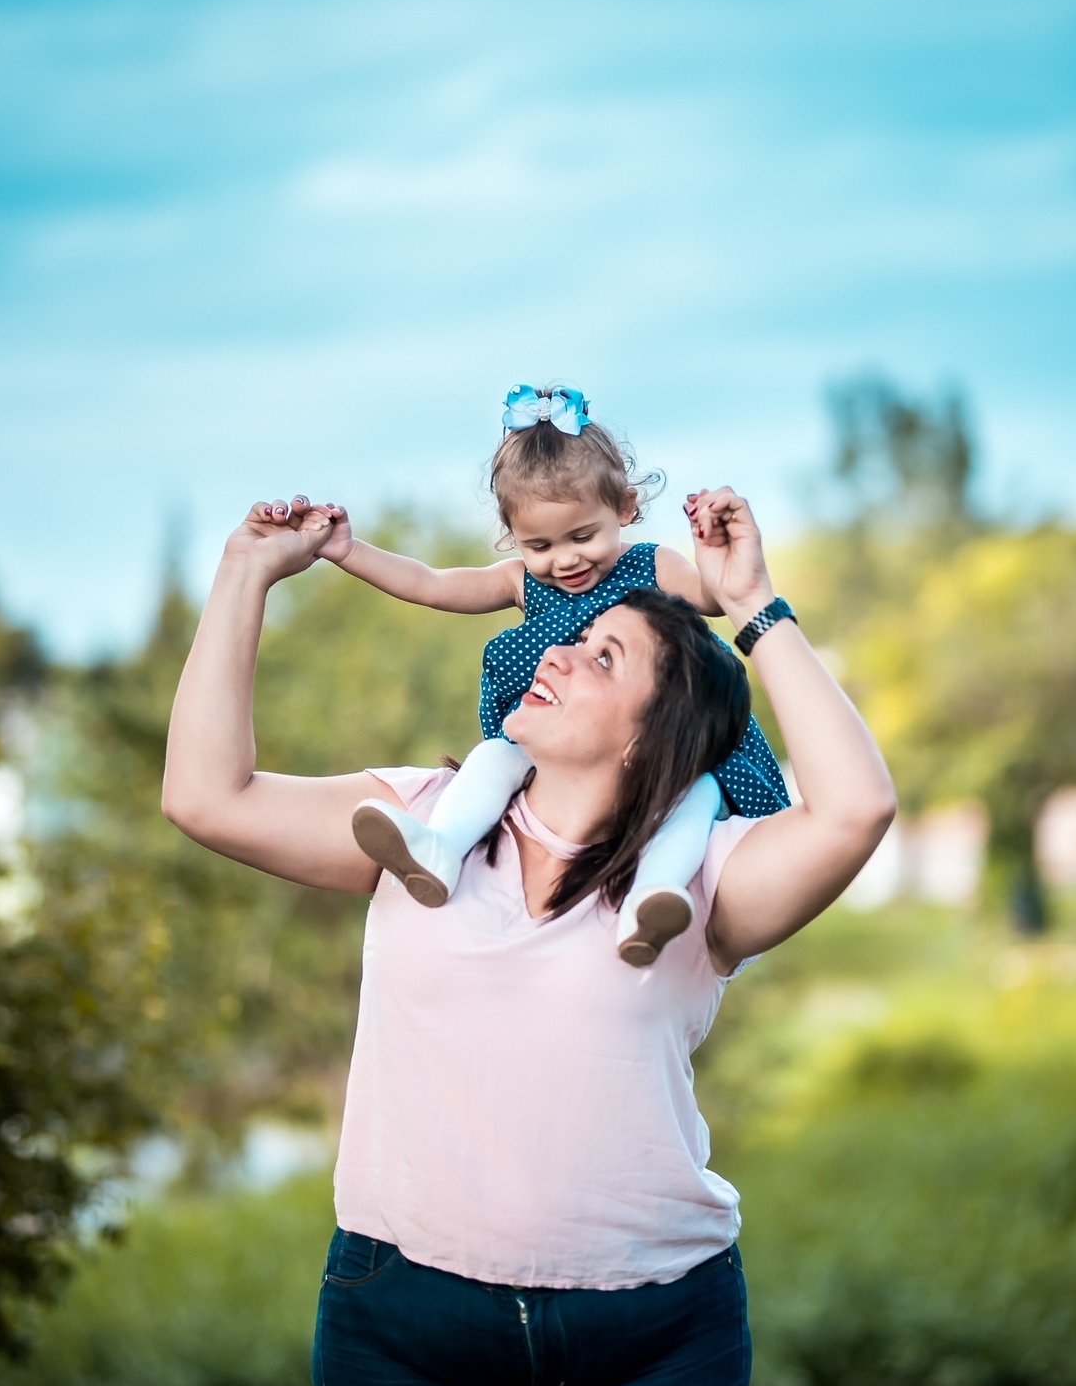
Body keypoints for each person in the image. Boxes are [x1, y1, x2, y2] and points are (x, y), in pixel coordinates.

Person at [162, 481, 896, 1386]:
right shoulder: (417, 818)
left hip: (653, 1345)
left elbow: (857, 808)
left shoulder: (709, 876)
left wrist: (754, 602)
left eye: (602, 653)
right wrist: (246, 574)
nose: (556, 654)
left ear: (657, 724)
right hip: (406, 1337)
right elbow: (205, 798)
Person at [311, 384, 790, 967]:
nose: (564, 560)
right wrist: (347, 550)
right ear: (514, 538)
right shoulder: (521, 582)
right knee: (494, 758)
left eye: (583, 536)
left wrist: (717, 549)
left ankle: (653, 897)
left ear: (624, 509)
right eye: (539, 544)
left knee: (700, 791)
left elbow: (711, 598)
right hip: (552, 732)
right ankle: (440, 849)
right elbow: (431, 585)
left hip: (658, 733)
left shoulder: (652, 564)